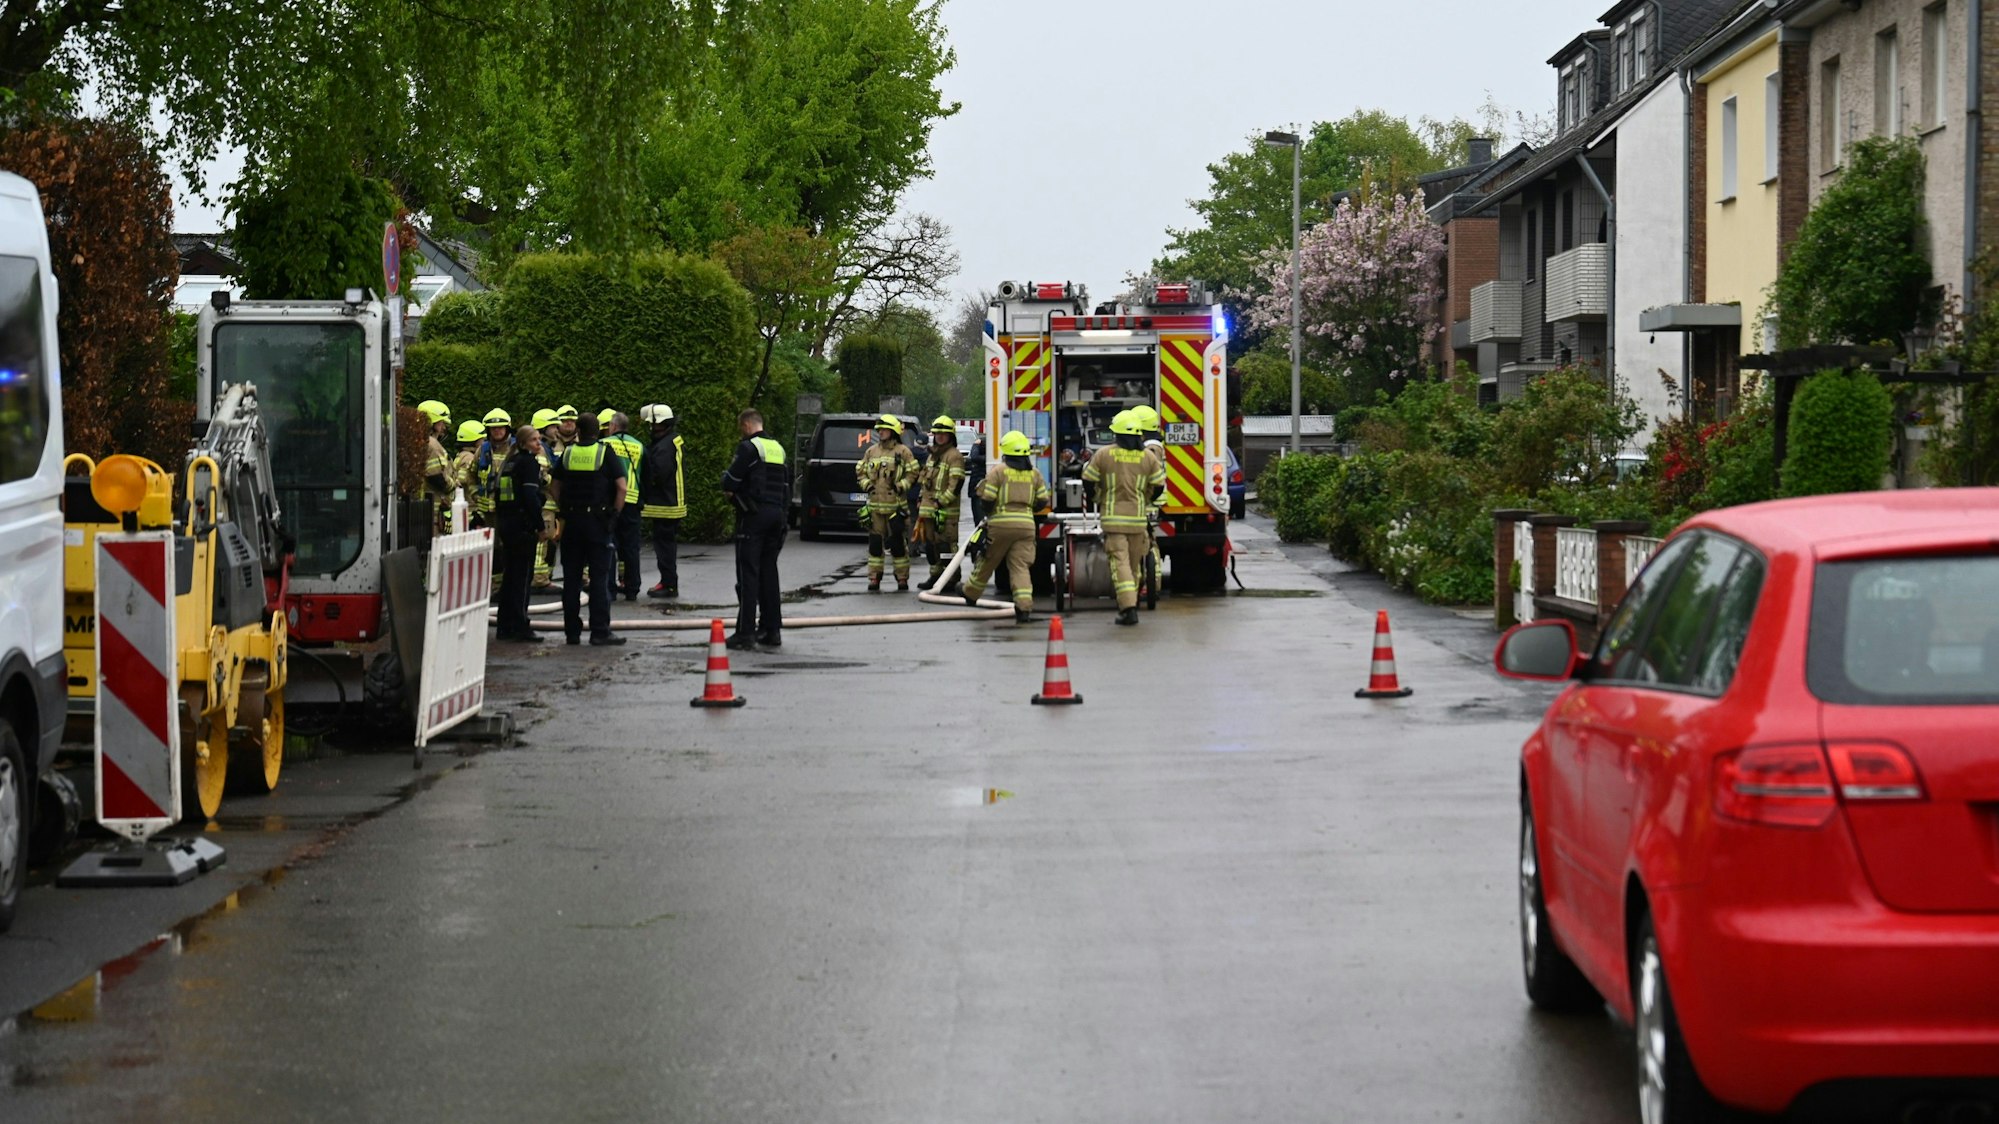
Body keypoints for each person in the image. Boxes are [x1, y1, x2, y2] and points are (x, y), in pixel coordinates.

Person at [547, 413, 626, 646]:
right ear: (598, 431)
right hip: (597, 523)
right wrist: (614, 514)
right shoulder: (604, 453)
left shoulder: (568, 453)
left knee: (571, 580)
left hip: (572, 522)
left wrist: (564, 507)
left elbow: (554, 485)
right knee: (599, 578)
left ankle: (572, 632)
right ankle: (600, 631)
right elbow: (622, 487)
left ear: (578, 431)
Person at [1083, 411, 1166, 626]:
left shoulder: (1103, 454)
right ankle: (1133, 602)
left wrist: (1096, 496)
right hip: (1138, 520)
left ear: (1116, 434)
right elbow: (1158, 485)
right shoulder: (1148, 456)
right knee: (1135, 565)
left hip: (1114, 520)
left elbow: (1088, 479)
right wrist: (1145, 499)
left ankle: (1128, 609)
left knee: (1120, 564)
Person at [962, 430, 1049, 624]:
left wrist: (990, 514)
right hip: (1026, 525)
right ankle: (1024, 607)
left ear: (1006, 452)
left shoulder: (998, 472)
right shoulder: (1034, 473)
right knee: (1020, 567)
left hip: (1000, 524)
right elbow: (1043, 500)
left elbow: (987, 498)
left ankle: (970, 593)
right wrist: (1027, 509)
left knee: (988, 560)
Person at [721, 407, 788, 650]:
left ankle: (745, 633)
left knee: (748, 573)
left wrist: (726, 483)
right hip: (777, 516)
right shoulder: (777, 448)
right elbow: (786, 487)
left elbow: (730, 480)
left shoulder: (749, 448)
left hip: (754, 516)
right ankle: (772, 630)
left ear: (747, 425)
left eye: (741, 429)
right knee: (769, 573)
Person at [493, 424, 548, 643]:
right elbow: (531, 498)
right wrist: (540, 527)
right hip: (522, 526)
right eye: (535, 440)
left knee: (510, 577)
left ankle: (504, 626)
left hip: (506, 523)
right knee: (522, 578)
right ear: (524, 443)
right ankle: (520, 626)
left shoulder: (509, 462)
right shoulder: (528, 464)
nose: (539, 443)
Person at [855, 413, 918, 591]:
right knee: (875, 545)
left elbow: (914, 473)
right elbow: (860, 471)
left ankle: (902, 578)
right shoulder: (871, 451)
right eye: (880, 429)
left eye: (884, 429)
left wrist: (900, 486)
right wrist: (867, 485)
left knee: (898, 544)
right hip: (875, 508)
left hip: (895, 508)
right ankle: (874, 578)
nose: (881, 432)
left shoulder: (903, 452)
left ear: (893, 432)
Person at [913, 415, 967, 590]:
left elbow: (956, 484)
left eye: (944, 434)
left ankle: (950, 579)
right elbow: (924, 480)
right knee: (930, 545)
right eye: (937, 434)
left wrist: (941, 502)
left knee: (945, 546)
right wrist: (921, 499)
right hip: (928, 510)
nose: (940, 437)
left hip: (945, 511)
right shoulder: (932, 456)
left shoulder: (954, 456)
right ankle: (935, 576)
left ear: (951, 436)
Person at [639, 403, 686, 599]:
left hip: (665, 504)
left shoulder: (664, 446)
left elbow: (658, 474)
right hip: (671, 502)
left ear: (660, 424)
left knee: (664, 547)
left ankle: (668, 584)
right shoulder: (671, 441)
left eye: (653, 425)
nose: (651, 429)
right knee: (666, 545)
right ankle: (668, 582)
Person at [600, 409, 646, 601]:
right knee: (631, 547)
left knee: (609, 544)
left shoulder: (604, 444)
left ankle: (609, 588)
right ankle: (632, 588)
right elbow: (647, 474)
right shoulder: (639, 446)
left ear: (613, 426)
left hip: (610, 501)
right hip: (632, 502)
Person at [418, 400, 454, 529]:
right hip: (432, 511)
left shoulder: (426, 442)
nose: (444, 427)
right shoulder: (431, 444)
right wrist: (453, 485)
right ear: (432, 422)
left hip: (432, 509)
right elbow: (435, 476)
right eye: (442, 422)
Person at [450, 419, 485, 526]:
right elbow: (464, 480)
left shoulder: (460, 456)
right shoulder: (469, 458)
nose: (484, 442)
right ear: (475, 440)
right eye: (482, 439)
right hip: (470, 513)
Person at [965, 433, 988, 524]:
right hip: (976, 491)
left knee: (979, 520)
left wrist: (975, 445)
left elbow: (974, 456)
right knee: (978, 519)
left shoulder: (984, 459)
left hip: (979, 492)